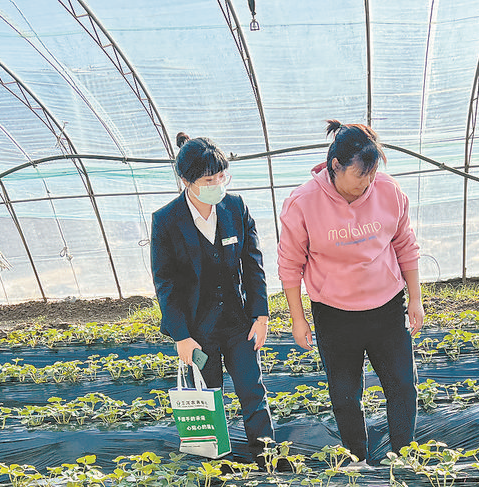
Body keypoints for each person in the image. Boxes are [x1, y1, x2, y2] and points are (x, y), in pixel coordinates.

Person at [277, 120, 424, 462]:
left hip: (387, 306)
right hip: (334, 313)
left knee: (402, 386)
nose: (367, 184)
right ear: (335, 167)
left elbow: (405, 244)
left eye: (372, 175)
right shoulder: (303, 202)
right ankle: (356, 458)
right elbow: (290, 265)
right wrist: (298, 319)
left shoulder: (389, 191)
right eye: (360, 177)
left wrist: (415, 298)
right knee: (344, 395)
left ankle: (405, 456)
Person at [151, 133, 275, 460]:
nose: (217, 184)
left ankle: (268, 457)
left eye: (222, 176)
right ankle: (215, 466)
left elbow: (253, 264)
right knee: (208, 397)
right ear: (186, 181)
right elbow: (165, 283)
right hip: (198, 330)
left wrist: (260, 316)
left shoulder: (234, 207)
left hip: (238, 324)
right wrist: (181, 337)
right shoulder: (166, 221)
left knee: (252, 391)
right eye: (209, 179)